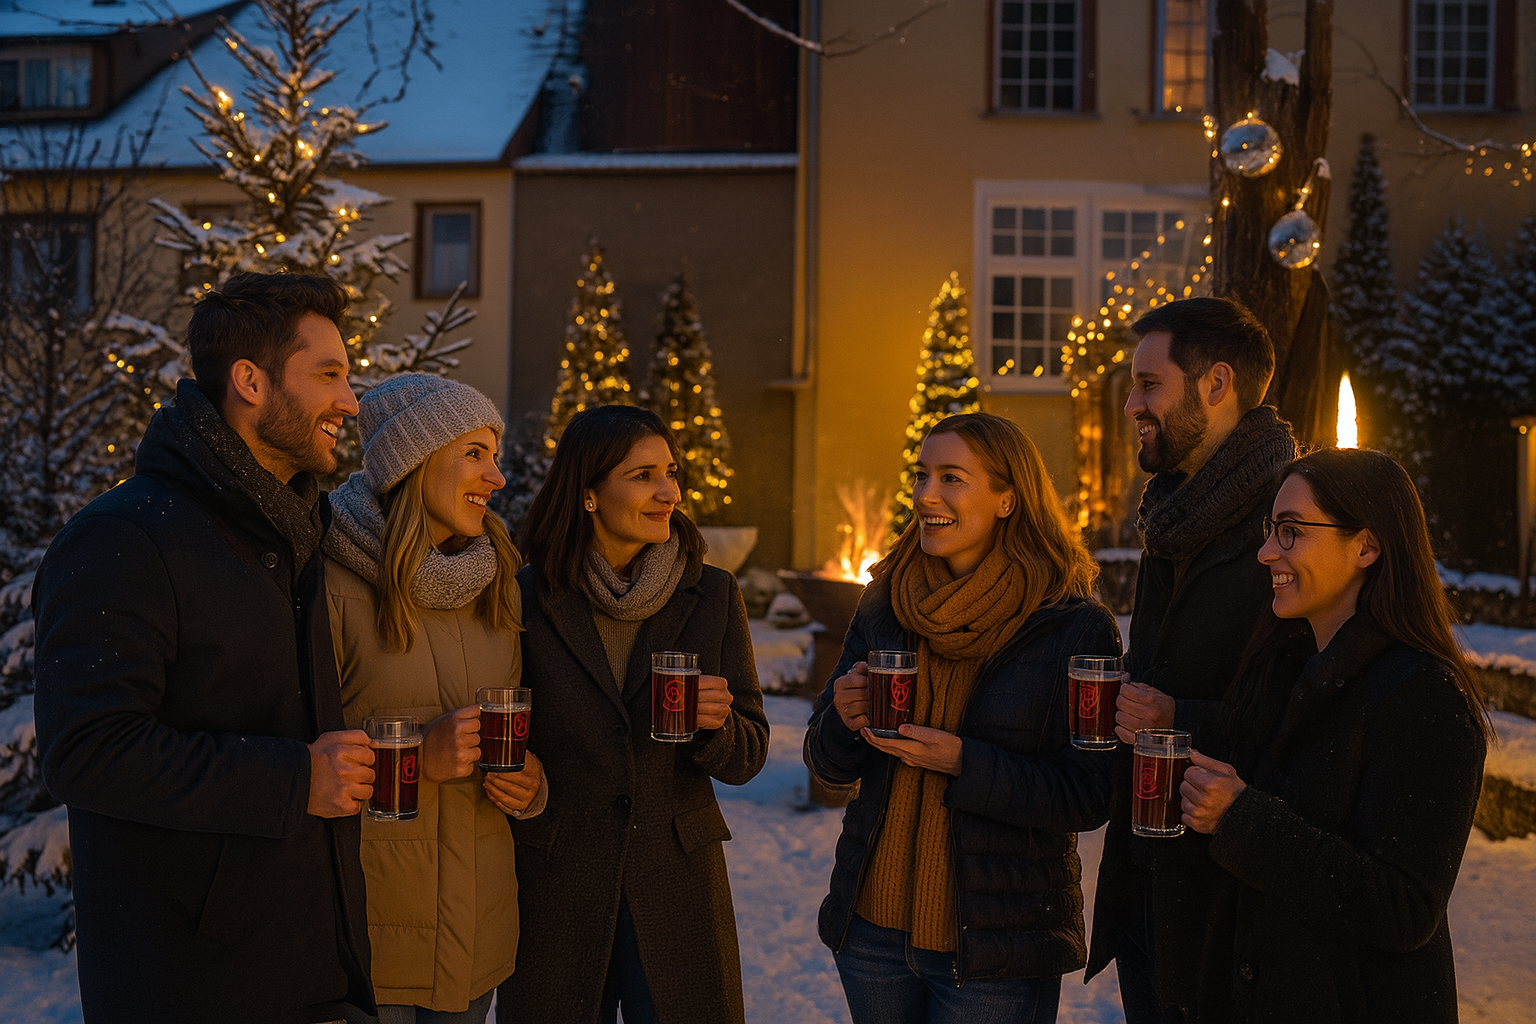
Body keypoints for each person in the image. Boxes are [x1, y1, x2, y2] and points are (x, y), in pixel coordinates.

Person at [32, 272, 375, 1023]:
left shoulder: (292, 536)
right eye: (329, 375)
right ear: (250, 381)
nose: (350, 401)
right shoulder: (123, 538)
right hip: (192, 986)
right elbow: (86, 751)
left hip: (314, 971)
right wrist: (295, 780)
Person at [805, 412, 1121, 1024]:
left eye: (952, 478)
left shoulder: (1072, 626)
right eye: (922, 476)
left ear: (1008, 498)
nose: (927, 495)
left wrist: (963, 763)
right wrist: (841, 720)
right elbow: (826, 762)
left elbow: (1089, 793)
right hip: (872, 932)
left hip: (994, 950)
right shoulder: (886, 602)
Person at [1180, 448, 1488, 1023]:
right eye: (1272, 530)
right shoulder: (1293, 666)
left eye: (1292, 531)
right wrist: (1167, 717)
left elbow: (1404, 907)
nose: (1267, 550)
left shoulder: (1422, 695)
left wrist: (1242, 817)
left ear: (1366, 547)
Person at [497, 404, 769, 1024]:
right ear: (589, 493)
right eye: (643, 475)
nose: (668, 491)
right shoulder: (527, 599)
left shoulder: (713, 593)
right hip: (559, 882)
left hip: (678, 883)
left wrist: (716, 727)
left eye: (669, 472)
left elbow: (749, 752)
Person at [1084, 297, 1297, 1024]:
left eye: (1149, 385)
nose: (1131, 406)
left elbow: (1311, 713)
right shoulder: (1171, 519)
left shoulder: (1291, 527)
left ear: (1216, 385)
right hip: (1148, 882)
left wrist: (1180, 720)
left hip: (1230, 904)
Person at [323, 373, 548, 1023]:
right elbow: (293, 763)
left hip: (478, 936)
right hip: (374, 943)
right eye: (473, 454)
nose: (497, 478)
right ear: (413, 463)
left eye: (496, 456)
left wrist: (532, 786)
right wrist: (421, 755)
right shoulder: (330, 581)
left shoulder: (498, 581)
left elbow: (522, 745)